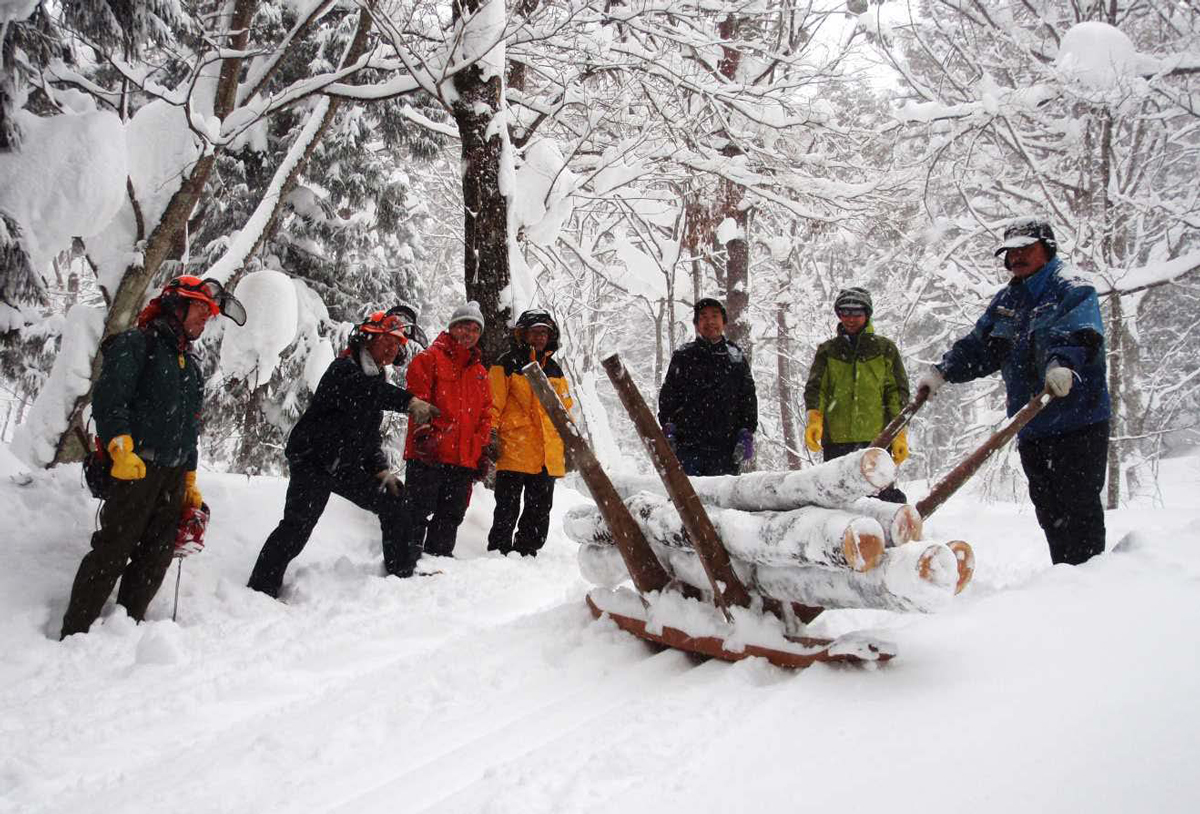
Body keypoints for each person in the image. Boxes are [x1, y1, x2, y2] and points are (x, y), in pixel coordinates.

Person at [917, 217, 1111, 565]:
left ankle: (1091, 585)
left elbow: (1081, 334)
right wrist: (943, 371)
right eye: (1011, 252)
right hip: (1032, 423)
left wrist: (1061, 364)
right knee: (1050, 512)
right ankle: (1064, 576)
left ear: (1047, 249)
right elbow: (981, 347)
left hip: (1078, 421)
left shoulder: (1071, 287)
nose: (1017, 257)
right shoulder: (1008, 300)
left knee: (1079, 506)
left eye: (1026, 249)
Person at [61, 276, 247, 638]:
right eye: (200, 310)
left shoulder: (190, 366)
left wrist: (190, 478)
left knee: (157, 555)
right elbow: (110, 399)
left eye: (209, 314)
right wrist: (119, 446)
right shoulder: (137, 343)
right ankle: (74, 633)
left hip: (173, 473)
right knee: (113, 549)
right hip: (134, 467)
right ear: (176, 307)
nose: (204, 320)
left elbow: (190, 427)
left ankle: (127, 628)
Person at [247, 312, 438, 598]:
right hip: (314, 459)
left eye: (397, 344)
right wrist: (408, 401)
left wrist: (381, 470)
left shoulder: (376, 376)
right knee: (297, 526)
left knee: (394, 498)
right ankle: (260, 589)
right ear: (368, 339)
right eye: (387, 340)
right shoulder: (344, 369)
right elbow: (369, 393)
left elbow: (368, 435)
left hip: (344, 464)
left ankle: (401, 572)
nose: (392, 348)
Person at [803, 287, 910, 503]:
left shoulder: (884, 349)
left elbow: (896, 393)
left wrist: (899, 433)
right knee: (838, 498)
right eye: (845, 313)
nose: (850, 319)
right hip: (836, 439)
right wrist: (815, 420)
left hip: (877, 438)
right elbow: (816, 388)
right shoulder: (828, 350)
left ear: (867, 314)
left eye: (857, 313)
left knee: (880, 497)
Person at [403, 301, 492, 557]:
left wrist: (481, 450)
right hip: (429, 454)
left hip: (463, 459)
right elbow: (417, 400)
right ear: (452, 327)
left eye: (476, 329)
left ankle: (438, 561)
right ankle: (406, 562)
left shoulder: (480, 374)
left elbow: (486, 414)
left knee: (451, 514)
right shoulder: (429, 358)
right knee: (417, 511)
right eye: (465, 326)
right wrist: (423, 435)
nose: (469, 333)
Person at [486, 308, 574, 557]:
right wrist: (490, 432)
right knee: (507, 506)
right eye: (535, 332)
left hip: (548, 452)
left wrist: (570, 443)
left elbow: (565, 411)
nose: (540, 338)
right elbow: (493, 402)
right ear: (523, 334)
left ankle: (527, 551)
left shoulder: (556, 370)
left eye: (544, 333)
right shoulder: (507, 363)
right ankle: (499, 551)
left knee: (540, 508)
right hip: (515, 447)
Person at [657, 297, 758, 477]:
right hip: (687, 447)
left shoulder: (735, 357)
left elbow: (748, 398)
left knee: (721, 501)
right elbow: (668, 396)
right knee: (689, 501)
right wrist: (668, 427)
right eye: (703, 317)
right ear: (696, 324)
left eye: (715, 316)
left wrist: (746, 432)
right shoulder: (684, 356)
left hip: (725, 450)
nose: (710, 321)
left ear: (724, 322)